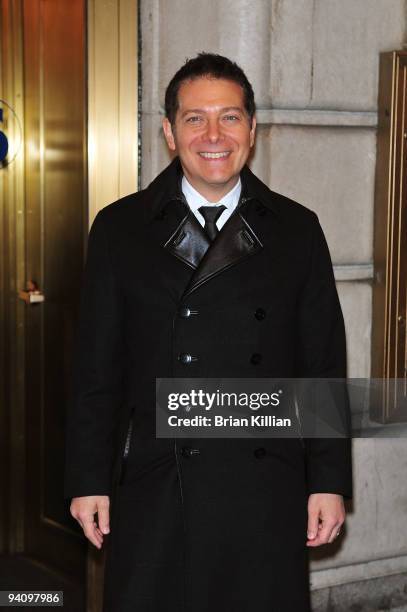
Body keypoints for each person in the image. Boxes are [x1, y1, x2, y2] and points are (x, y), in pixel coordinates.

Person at [65, 53, 352, 612]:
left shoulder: (296, 229)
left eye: (231, 117)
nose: (214, 135)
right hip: (158, 484)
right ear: (170, 132)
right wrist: (88, 478)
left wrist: (329, 480)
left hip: (265, 488)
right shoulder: (121, 228)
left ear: (252, 128)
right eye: (195, 119)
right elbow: (95, 369)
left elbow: (321, 365)